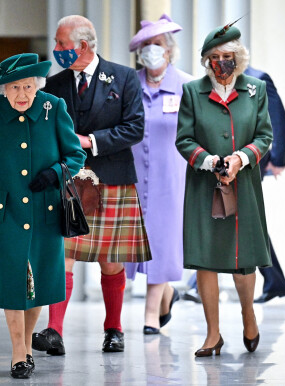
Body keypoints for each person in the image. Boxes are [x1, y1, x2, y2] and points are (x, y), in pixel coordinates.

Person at [32, 15, 150, 355]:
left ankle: (114, 329)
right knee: (62, 256)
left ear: (82, 46)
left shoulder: (124, 77)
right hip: (69, 181)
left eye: (61, 44)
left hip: (112, 178)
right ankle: (54, 331)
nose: (56, 50)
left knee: (111, 261)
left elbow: (134, 128)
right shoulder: (53, 85)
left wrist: (90, 141)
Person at [0, 53, 86, 379]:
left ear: (37, 85)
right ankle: (19, 351)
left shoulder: (53, 108)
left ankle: (27, 347)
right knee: (14, 280)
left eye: (27, 87)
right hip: (6, 213)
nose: (22, 95)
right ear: (3, 89)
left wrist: (56, 173)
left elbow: (76, 155)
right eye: (14, 87)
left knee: (40, 283)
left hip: (46, 209)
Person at [175, 23, 272, 356]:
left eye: (227, 57)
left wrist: (240, 159)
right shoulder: (192, 91)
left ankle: (248, 315)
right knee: (205, 258)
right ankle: (212, 334)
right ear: (206, 61)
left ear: (239, 58)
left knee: (243, 259)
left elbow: (264, 137)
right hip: (204, 185)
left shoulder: (255, 89)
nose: (221, 63)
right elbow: (183, 139)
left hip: (244, 185)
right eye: (214, 57)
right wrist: (210, 161)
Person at [124, 14, 193, 334]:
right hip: (132, 175)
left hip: (171, 176)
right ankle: (167, 294)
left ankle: (150, 316)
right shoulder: (128, 84)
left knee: (162, 243)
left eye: (158, 45)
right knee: (134, 243)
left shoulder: (188, 86)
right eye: (147, 45)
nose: (153, 50)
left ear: (170, 50)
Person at [244, 67, 285, 304]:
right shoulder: (216, 82)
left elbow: (277, 118)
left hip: (252, 161)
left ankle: (198, 286)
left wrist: (278, 158)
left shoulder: (259, 79)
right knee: (246, 219)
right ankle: (275, 282)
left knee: (242, 217)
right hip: (225, 161)